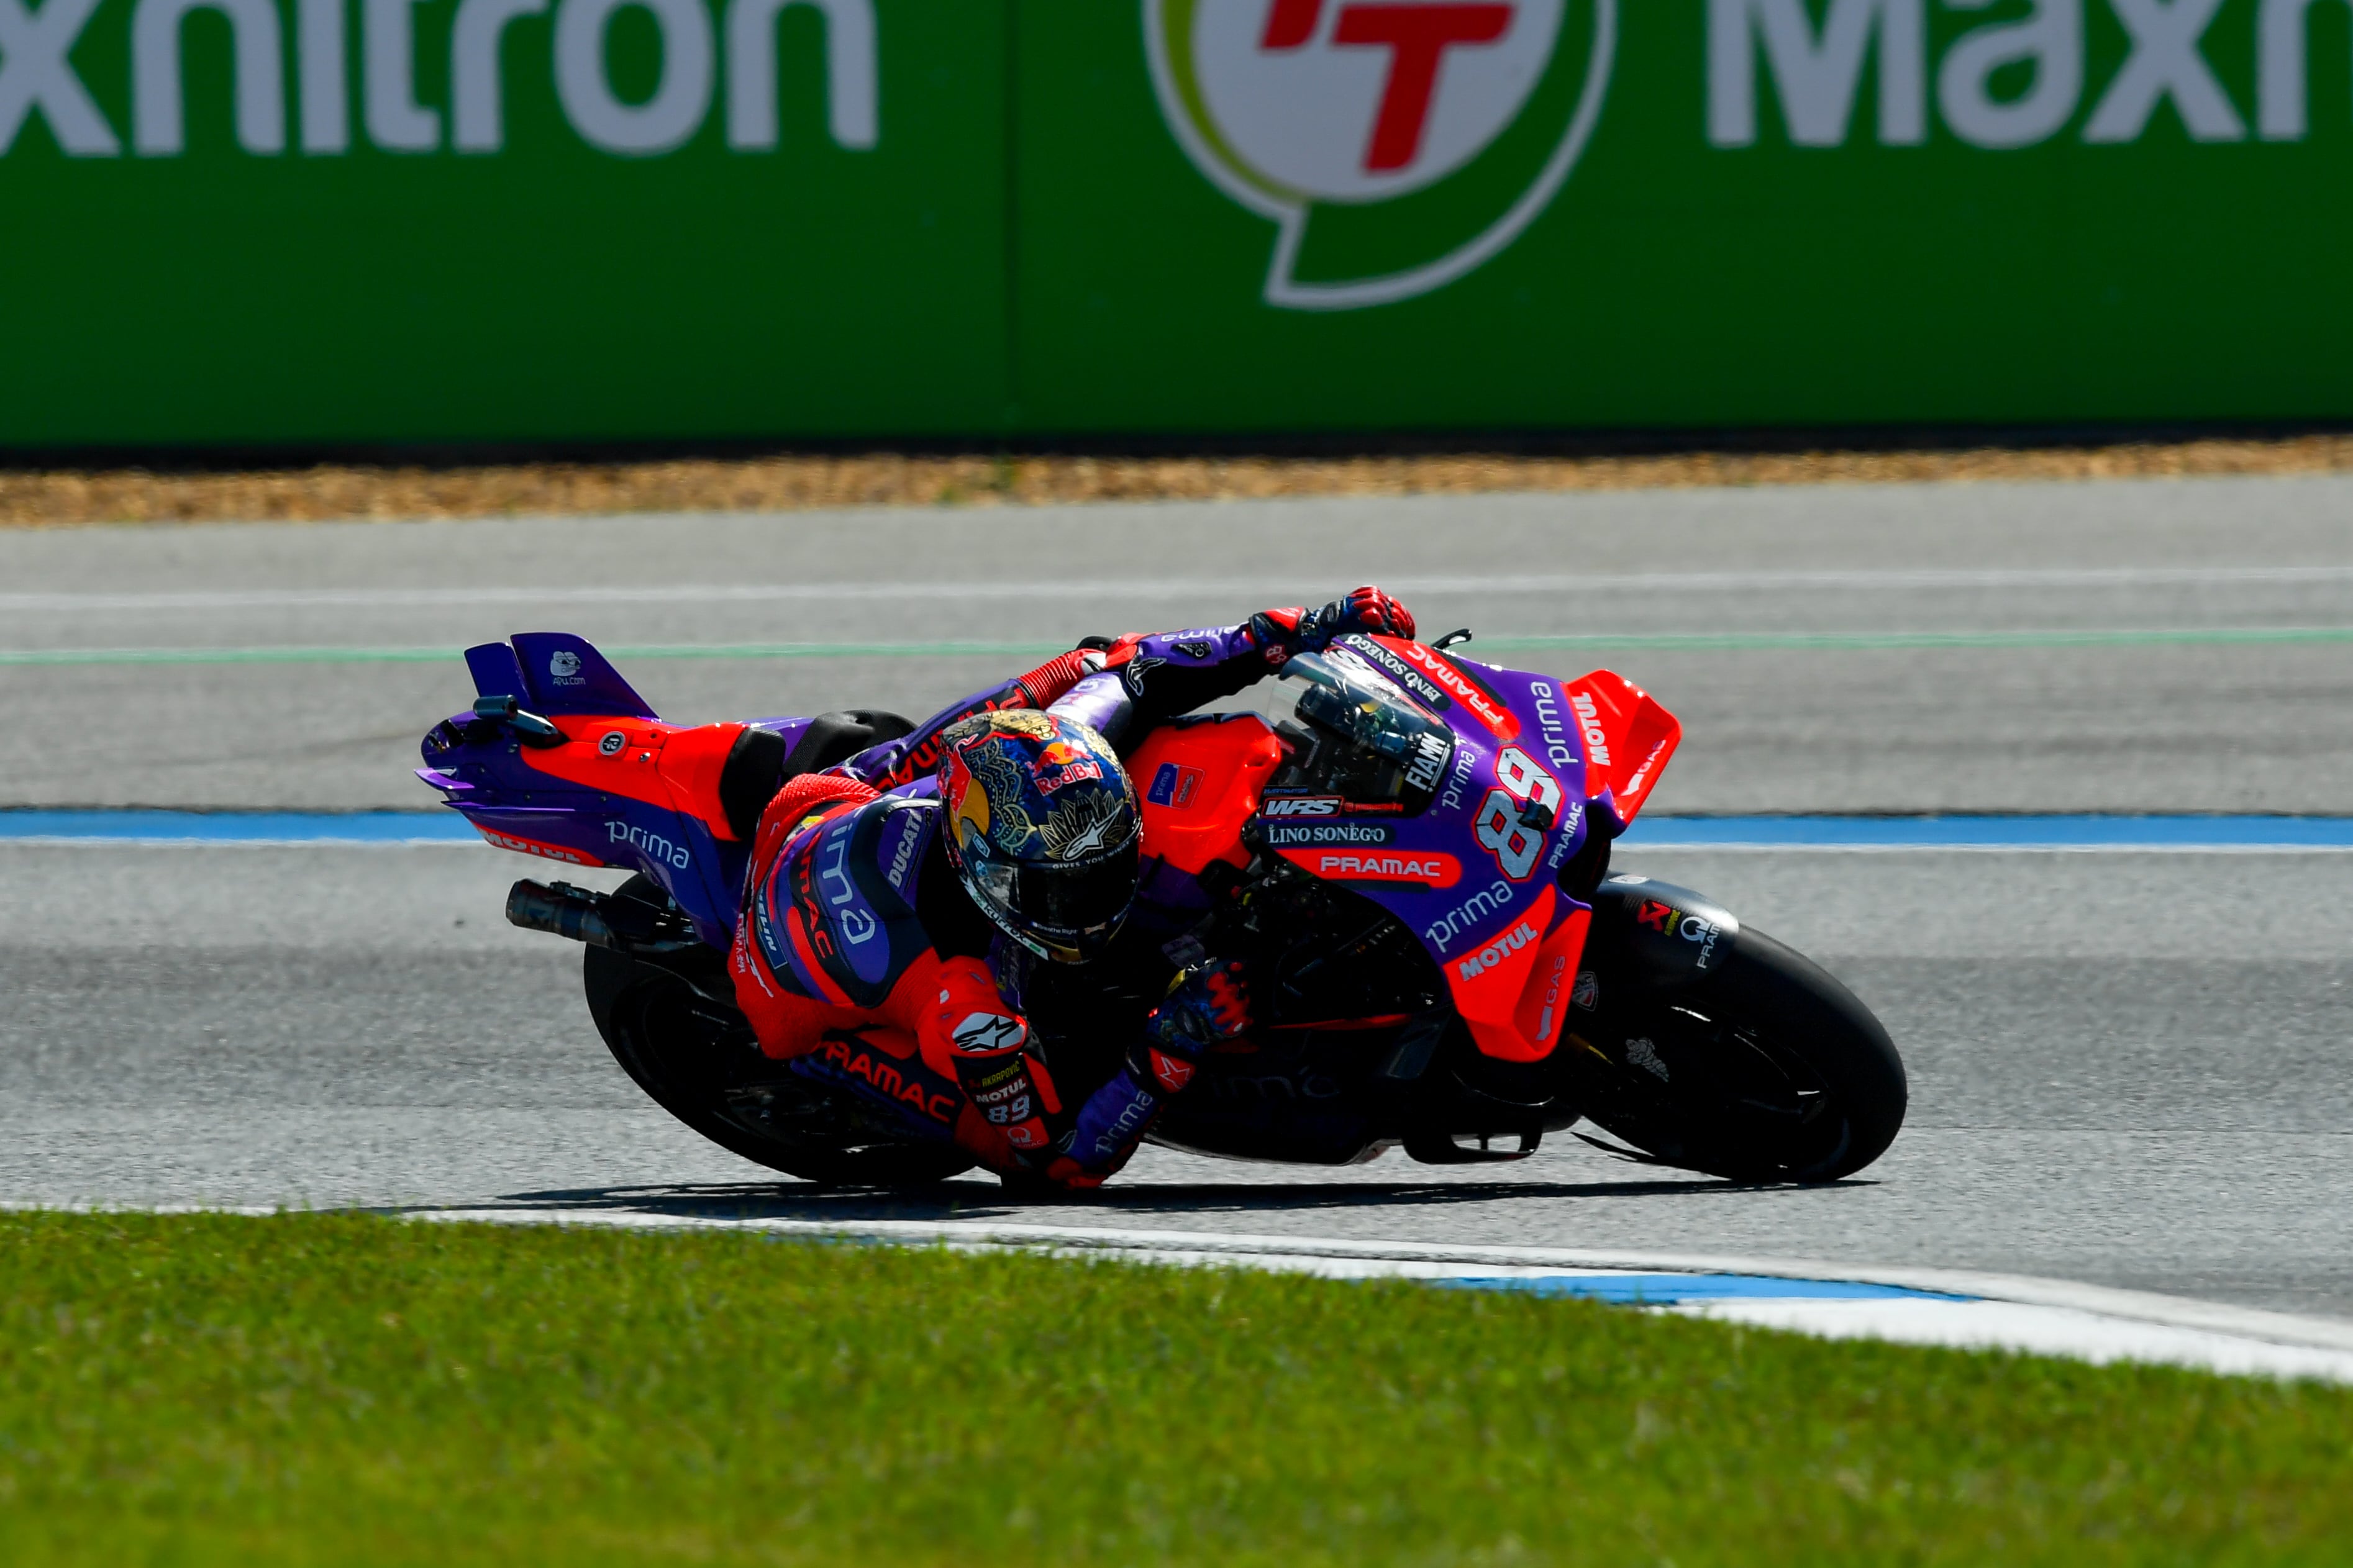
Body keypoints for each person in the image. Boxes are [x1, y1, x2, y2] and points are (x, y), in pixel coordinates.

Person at [726, 587, 1418, 1188]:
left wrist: (1300, 628)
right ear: (991, 882)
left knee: (1086, 664)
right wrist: (1170, 1047)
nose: (1098, 899)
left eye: (1107, 863)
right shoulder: (967, 1005)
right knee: (984, 1117)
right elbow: (1052, 1166)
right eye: (1066, 891)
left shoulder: (1042, 754)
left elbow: (1133, 667)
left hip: (824, 800)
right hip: (786, 997)